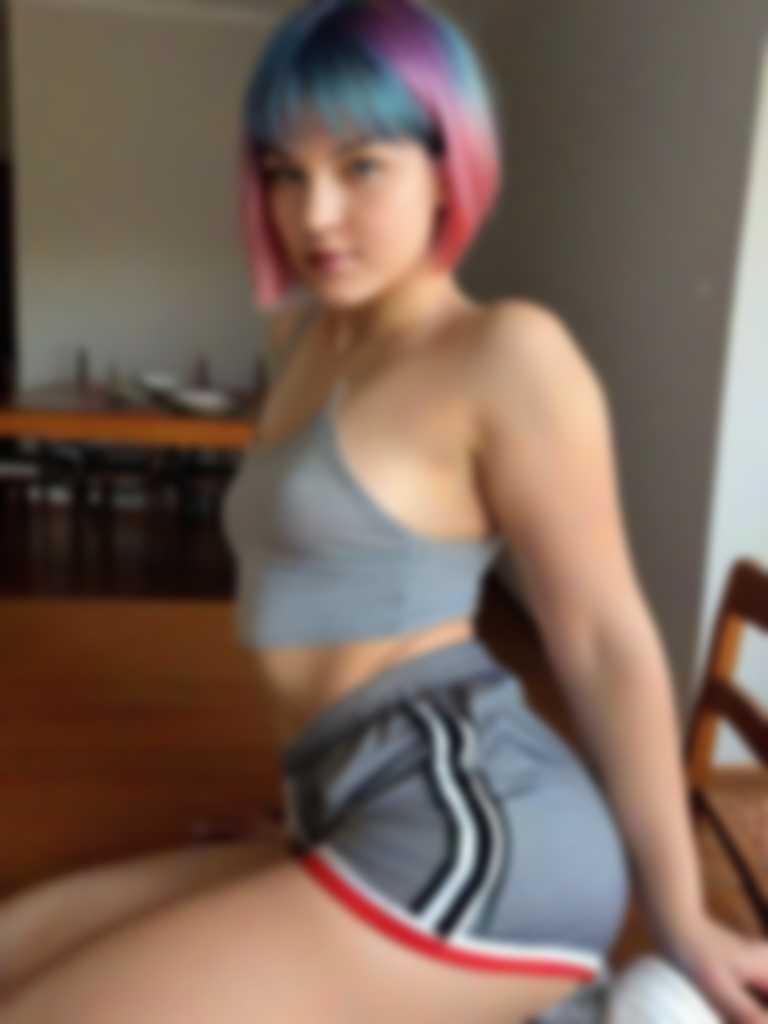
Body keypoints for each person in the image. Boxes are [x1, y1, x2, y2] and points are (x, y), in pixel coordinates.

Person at [1, 1, 767, 1021]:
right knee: (14, 945)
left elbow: (603, 639)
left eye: (360, 166)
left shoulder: (506, 352)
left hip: (478, 826)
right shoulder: (302, 342)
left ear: (448, 164)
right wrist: (312, 805)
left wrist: (680, 916)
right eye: (285, 171)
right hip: (345, 797)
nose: (314, 213)